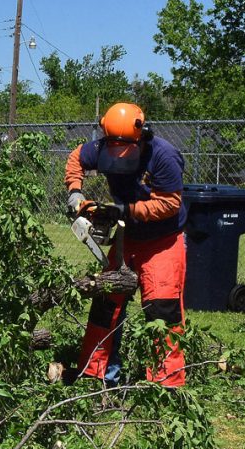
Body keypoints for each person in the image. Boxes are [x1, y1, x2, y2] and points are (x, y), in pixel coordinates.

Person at [65, 102, 188, 388]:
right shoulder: (99, 147)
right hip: (125, 237)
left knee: (163, 310)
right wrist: (75, 191)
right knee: (106, 304)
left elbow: (170, 204)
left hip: (162, 241)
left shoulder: (164, 156)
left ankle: (165, 385)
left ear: (141, 134)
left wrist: (127, 210)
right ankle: (97, 376)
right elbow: (75, 158)